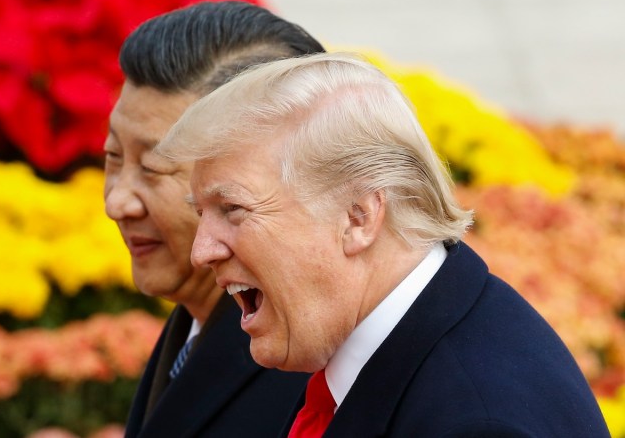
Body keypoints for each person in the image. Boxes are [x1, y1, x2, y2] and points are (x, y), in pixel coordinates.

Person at [157, 52, 610, 437]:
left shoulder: (477, 422)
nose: (202, 251)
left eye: (232, 209)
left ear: (359, 216)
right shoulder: (350, 333)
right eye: (201, 214)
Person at [104, 1, 325, 437]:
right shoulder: (198, 311)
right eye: (113, 156)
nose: (117, 202)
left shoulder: (304, 366)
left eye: (152, 167)